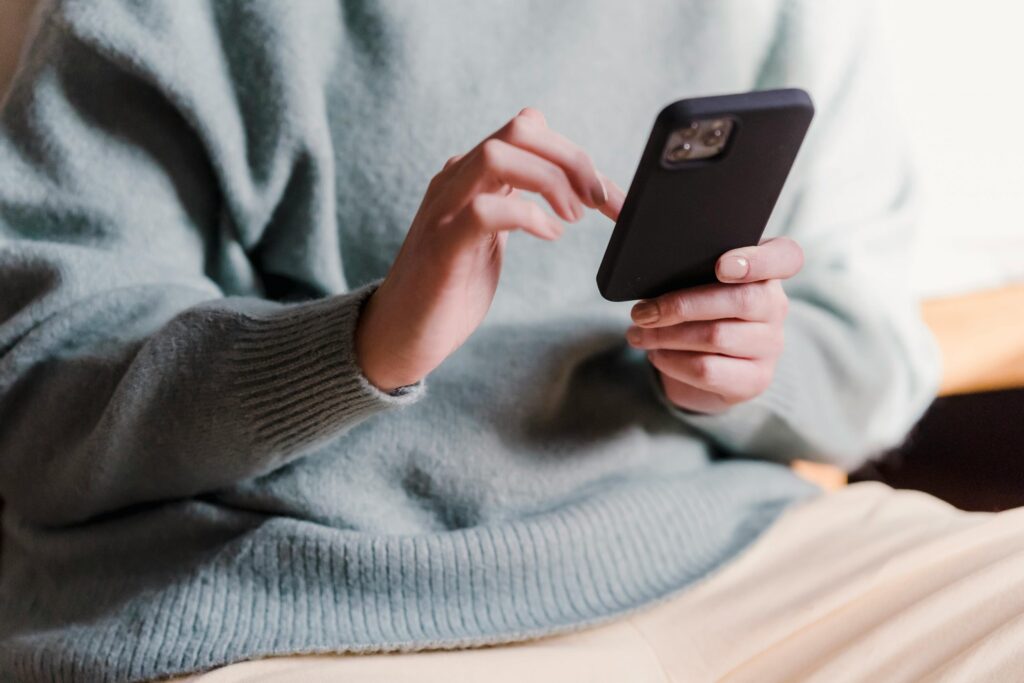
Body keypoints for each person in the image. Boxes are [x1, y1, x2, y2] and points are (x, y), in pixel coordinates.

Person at [3, 1, 1024, 681]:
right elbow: (37, 398)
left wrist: (753, 365)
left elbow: (877, 357)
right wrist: (362, 343)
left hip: (724, 550)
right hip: (298, 601)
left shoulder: (782, 15)